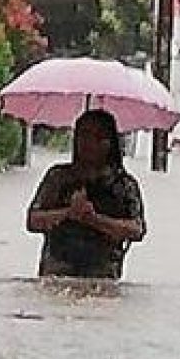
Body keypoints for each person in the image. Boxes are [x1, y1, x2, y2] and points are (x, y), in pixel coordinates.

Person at [26, 109, 146, 280]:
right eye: (84, 135)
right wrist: (68, 212)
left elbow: (136, 229)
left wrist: (94, 219)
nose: (89, 143)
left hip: (103, 276)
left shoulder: (123, 184)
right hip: (57, 271)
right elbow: (33, 220)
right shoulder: (58, 177)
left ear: (110, 143)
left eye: (98, 137)